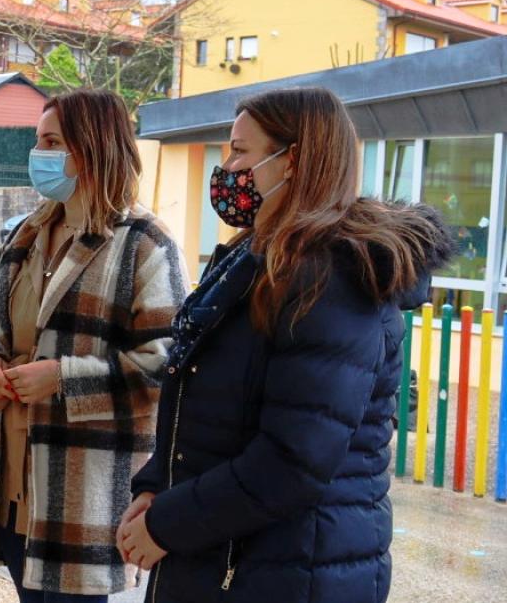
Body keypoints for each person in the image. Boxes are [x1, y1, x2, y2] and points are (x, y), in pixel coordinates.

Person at [116, 87, 455, 603]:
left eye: (240, 151)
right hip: (226, 554)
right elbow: (205, 406)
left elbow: (296, 458)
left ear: (291, 159)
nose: (227, 168)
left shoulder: (331, 278)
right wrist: (155, 486)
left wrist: (170, 523)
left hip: (290, 570)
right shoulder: (253, 258)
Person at [0, 90, 191, 602]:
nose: (38, 153)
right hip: (9, 481)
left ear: (93, 146)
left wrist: (61, 378)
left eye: (52, 141)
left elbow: (166, 367)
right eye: (38, 140)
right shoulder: (26, 236)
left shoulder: (145, 242)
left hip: (82, 494)